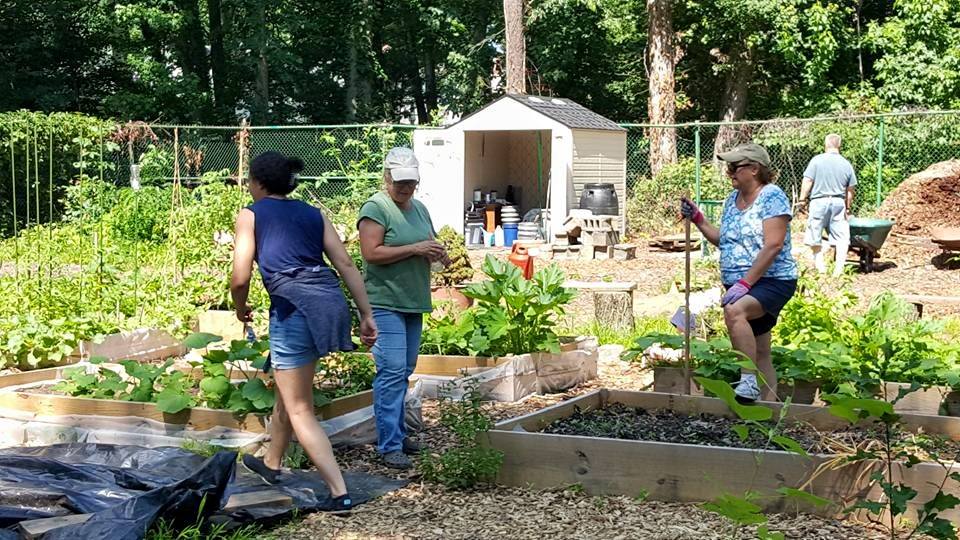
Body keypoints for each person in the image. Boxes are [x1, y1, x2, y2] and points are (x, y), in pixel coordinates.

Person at [230, 151, 378, 513]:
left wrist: (239, 306)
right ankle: (272, 463)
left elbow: (240, 276)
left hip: (294, 310)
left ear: (259, 183)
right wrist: (365, 313)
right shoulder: (313, 214)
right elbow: (344, 262)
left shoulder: (251, 214)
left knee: (299, 408)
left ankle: (338, 491)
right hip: (328, 305)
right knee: (289, 388)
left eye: (249, 181)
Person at [680, 143, 798, 403]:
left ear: (754, 169)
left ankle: (747, 381)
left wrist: (745, 283)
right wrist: (699, 219)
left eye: (735, 167)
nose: (729, 172)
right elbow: (725, 240)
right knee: (762, 351)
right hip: (740, 283)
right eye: (728, 167)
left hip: (772, 280)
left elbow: (773, 244)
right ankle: (768, 412)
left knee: (735, 310)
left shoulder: (772, 196)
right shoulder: (731, 202)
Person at [357, 147, 447, 469]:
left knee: (404, 371)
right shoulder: (376, 208)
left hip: (413, 301)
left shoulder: (419, 209)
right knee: (392, 371)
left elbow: (428, 242)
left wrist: (437, 253)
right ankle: (389, 445)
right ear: (387, 178)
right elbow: (371, 253)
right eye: (399, 182)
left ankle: (396, 433)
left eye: (410, 182)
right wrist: (415, 248)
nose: (405, 188)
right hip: (384, 301)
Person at [798, 134, 858, 277]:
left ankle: (820, 268)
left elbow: (807, 181)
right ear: (839, 145)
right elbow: (850, 190)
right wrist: (847, 207)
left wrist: (802, 199)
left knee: (815, 233)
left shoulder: (816, 161)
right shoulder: (846, 163)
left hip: (818, 202)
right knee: (842, 237)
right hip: (838, 202)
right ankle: (838, 270)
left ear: (825, 145)